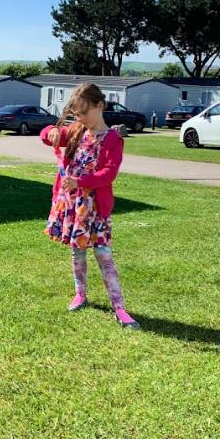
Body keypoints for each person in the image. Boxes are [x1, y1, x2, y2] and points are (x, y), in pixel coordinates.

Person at [40, 83, 140, 330]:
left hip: (94, 208)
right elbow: (48, 135)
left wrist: (80, 181)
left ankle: (119, 308)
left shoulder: (113, 139)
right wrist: (51, 130)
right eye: (77, 114)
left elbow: (108, 174)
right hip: (73, 206)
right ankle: (80, 294)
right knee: (78, 252)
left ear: (100, 106)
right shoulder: (76, 131)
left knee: (104, 256)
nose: (81, 118)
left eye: (85, 112)